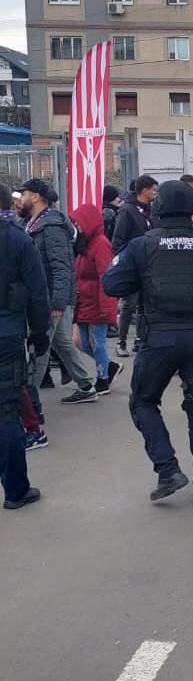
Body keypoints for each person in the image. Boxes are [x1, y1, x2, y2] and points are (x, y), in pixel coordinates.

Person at [102, 180, 193, 507]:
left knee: (142, 402)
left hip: (159, 337)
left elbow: (111, 283)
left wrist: (139, 280)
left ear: (158, 209)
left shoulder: (142, 245)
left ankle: (168, 469)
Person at [18, 178, 98, 404]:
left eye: (23, 194)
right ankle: (86, 386)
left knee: (40, 345)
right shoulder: (31, 223)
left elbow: (62, 267)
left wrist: (57, 303)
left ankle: (28, 402)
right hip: (48, 296)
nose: (20, 198)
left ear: (35, 197)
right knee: (61, 342)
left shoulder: (51, 226)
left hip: (50, 298)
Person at [0, 182, 50, 508]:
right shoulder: (18, 240)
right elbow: (37, 292)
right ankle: (16, 491)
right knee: (6, 413)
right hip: (7, 334)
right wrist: (40, 332)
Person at [69, 204, 123, 396]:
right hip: (85, 301)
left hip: (96, 301)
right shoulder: (85, 244)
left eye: (78, 223)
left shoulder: (100, 244)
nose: (77, 226)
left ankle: (103, 379)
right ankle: (108, 367)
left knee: (96, 343)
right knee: (81, 342)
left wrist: (107, 307)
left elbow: (106, 278)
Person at [112, 174, 158, 357]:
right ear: (144, 190)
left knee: (144, 305)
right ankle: (121, 341)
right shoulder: (127, 210)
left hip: (149, 265)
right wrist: (125, 261)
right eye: (153, 189)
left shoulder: (150, 210)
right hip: (132, 265)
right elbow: (118, 240)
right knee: (128, 304)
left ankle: (140, 340)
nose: (155, 193)